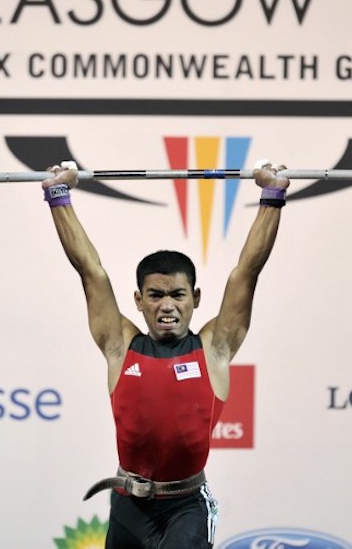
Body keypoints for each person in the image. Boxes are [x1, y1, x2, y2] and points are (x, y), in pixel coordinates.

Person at [41, 160, 289, 549]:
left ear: (196, 299)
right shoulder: (119, 346)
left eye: (178, 295)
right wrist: (59, 196)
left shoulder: (214, 347)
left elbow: (246, 272)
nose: (167, 306)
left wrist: (271, 197)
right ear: (139, 301)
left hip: (186, 507)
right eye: (155, 295)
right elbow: (91, 271)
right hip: (127, 504)